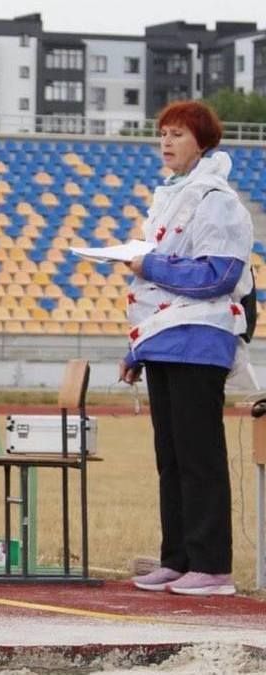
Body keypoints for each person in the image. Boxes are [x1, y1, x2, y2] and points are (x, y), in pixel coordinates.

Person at [122, 101, 253, 597]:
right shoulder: (169, 197)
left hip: (200, 337)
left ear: (202, 141)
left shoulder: (216, 200)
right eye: (163, 133)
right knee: (171, 457)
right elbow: (157, 288)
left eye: (177, 133)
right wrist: (136, 350)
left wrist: (150, 267)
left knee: (200, 456)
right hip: (165, 338)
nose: (166, 142)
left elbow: (218, 275)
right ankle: (178, 557)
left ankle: (213, 565)